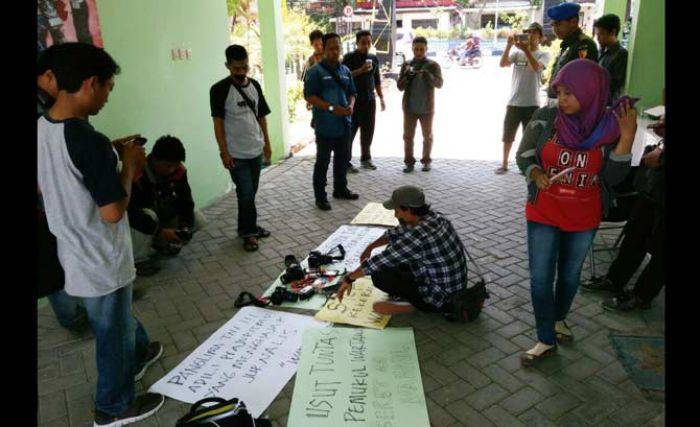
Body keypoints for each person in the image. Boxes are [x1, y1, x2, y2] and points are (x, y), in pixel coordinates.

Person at [37, 42, 164, 426]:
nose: (108, 97)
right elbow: (112, 212)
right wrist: (127, 165)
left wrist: (108, 154)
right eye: (109, 88)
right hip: (100, 253)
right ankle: (112, 407)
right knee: (111, 333)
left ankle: (140, 353)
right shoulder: (87, 141)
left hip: (73, 250)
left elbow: (56, 179)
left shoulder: (43, 126)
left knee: (115, 317)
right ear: (91, 83)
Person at [515, 59, 636, 366]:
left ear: (591, 91)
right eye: (560, 91)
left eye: (571, 92)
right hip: (544, 210)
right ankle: (545, 338)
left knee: (569, 276)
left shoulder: (608, 126)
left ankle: (557, 319)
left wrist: (626, 138)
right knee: (541, 277)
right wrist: (533, 172)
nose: (563, 99)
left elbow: (612, 179)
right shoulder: (546, 117)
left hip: (584, 216)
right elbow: (524, 152)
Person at [337, 186, 470, 318]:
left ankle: (413, 305)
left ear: (408, 210)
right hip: (455, 285)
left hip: (440, 297)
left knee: (379, 274)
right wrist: (370, 247)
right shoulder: (433, 217)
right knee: (394, 254)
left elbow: (377, 263)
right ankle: (412, 300)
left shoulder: (418, 238)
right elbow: (395, 233)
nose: (395, 215)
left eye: (397, 210)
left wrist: (349, 279)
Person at [583, 111, 665, 311]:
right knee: (635, 234)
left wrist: (663, 156)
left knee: (662, 250)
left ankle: (641, 297)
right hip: (654, 187)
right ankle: (614, 280)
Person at [37, 44, 90, 333]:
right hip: (47, 206)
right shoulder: (47, 116)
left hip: (57, 204)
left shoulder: (50, 108)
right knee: (51, 268)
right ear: (49, 75)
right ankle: (74, 318)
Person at [210, 44, 273, 252]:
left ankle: (247, 226)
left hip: (255, 149)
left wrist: (267, 145)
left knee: (250, 193)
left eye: (244, 67)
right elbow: (218, 124)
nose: (240, 72)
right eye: (236, 68)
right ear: (227, 66)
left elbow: (261, 116)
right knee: (245, 194)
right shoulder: (219, 90)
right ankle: (249, 234)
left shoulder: (254, 85)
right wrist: (224, 152)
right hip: (236, 155)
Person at [128, 135, 207, 276]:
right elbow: (132, 214)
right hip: (142, 222)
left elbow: (186, 201)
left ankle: (162, 245)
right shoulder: (137, 174)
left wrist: (185, 227)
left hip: (163, 215)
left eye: (175, 165)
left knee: (198, 219)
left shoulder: (179, 171)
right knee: (147, 215)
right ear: (154, 160)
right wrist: (158, 232)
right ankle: (138, 261)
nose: (172, 170)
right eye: (168, 165)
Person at [304, 32, 359, 211]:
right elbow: (309, 96)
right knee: (323, 162)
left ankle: (340, 189)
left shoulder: (345, 71)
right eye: (331, 48)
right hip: (325, 126)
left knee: (342, 159)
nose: (335, 52)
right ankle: (321, 197)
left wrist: (350, 105)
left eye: (338, 48)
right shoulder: (315, 72)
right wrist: (330, 108)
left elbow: (352, 92)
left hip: (344, 124)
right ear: (324, 49)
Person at [496, 22, 550, 175]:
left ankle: (527, 165)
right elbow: (502, 64)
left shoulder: (543, 54)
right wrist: (508, 46)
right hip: (514, 101)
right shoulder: (517, 53)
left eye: (534, 33)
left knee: (530, 137)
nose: (531, 35)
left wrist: (526, 50)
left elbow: (536, 68)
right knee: (508, 135)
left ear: (540, 37)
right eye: (528, 32)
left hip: (532, 102)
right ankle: (504, 164)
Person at [397, 36, 443, 173]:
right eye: (416, 49)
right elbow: (400, 86)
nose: (418, 52)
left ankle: (426, 161)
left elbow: (440, 84)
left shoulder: (433, 65)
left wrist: (429, 76)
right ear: (412, 49)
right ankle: (409, 162)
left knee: (427, 136)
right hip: (409, 108)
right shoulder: (407, 64)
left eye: (421, 49)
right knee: (408, 136)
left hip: (427, 108)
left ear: (426, 49)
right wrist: (407, 77)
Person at [342, 30, 386, 173]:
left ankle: (366, 159)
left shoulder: (373, 58)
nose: (366, 45)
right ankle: (346, 162)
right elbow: (344, 77)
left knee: (368, 130)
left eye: (369, 42)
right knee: (350, 131)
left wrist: (381, 98)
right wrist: (360, 70)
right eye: (363, 43)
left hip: (369, 100)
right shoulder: (348, 58)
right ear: (357, 43)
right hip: (353, 101)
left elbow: (377, 79)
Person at [545, 2, 599, 103]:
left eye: (559, 24)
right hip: (559, 101)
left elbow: (581, 81)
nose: (555, 29)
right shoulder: (567, 45)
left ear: (573, 22)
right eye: (553, 25)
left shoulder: (583, 45)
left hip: (570, 105)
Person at [594, 14, 628, 103]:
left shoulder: (621, 54)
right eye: (597, 34)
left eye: (601, 34)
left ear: (612, 32)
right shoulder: (601, 51)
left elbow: (614, 84)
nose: (597, 38)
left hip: (607, 104)